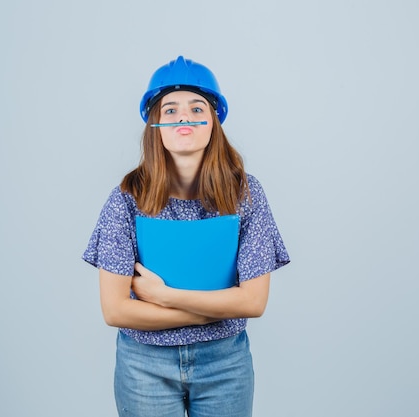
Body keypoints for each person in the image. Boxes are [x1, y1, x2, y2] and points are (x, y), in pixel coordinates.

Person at [82, 56, 290, 417]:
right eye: (171, 109)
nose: (184, 118)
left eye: (197, 108)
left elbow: (253, 302)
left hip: (225, 363)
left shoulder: (245, 194)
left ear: (214, 123)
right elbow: (115, 309)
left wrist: (164, 296)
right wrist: (208, 312)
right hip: (144, 365)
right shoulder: (126, 198)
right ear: (155, 125)